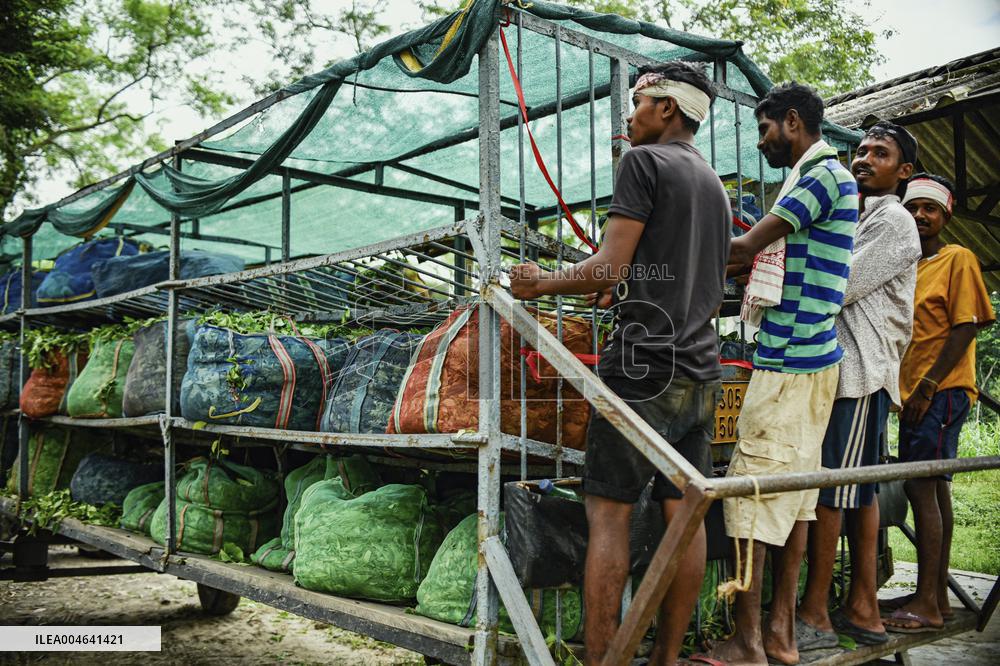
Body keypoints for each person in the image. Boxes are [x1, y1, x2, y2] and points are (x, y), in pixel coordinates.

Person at [508, 61, 730, 665]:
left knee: (608, 518)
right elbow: (673, 270)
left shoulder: (644, 163)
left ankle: (604, 659)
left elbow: (604, 267)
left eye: (635, 105)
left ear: (666, 109)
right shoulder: (713, 185)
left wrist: (540, 283)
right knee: (683, 521)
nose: (627, 119)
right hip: (699, 371)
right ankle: (663, 660)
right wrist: (628, 281)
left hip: (641, 369)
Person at [706, 82, 859, 666]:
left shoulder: (820, 175)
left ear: (792, 121)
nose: (762, 140)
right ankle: (780, 636)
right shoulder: (824, 178)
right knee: (795, 500)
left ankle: (751, 642)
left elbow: (745, 248)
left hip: (790, 362)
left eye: (765, 128)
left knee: (751, 495)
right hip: (811, 360)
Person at [795, 121, 920, 651]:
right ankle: (863, 604)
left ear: (904, 171)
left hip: (857, 373)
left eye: (880, 153)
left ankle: (817, 610)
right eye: (861, 150)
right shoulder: (864, 213)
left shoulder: (892, 220)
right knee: (859, 490)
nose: (864, 158)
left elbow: (836, 284)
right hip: (853, 371)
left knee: (833, 493)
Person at [881, 174, 995, 633]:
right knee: (934, 488)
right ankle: (937, 594)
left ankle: (929, 602)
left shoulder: (957, 258)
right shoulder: (908, 265)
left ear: (945, 215)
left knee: (919, 488)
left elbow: (965, 326)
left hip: (941, 392)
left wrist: (927, 385)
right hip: (914, 397)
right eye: (913, 209)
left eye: (930, 209)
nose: (920, 217)